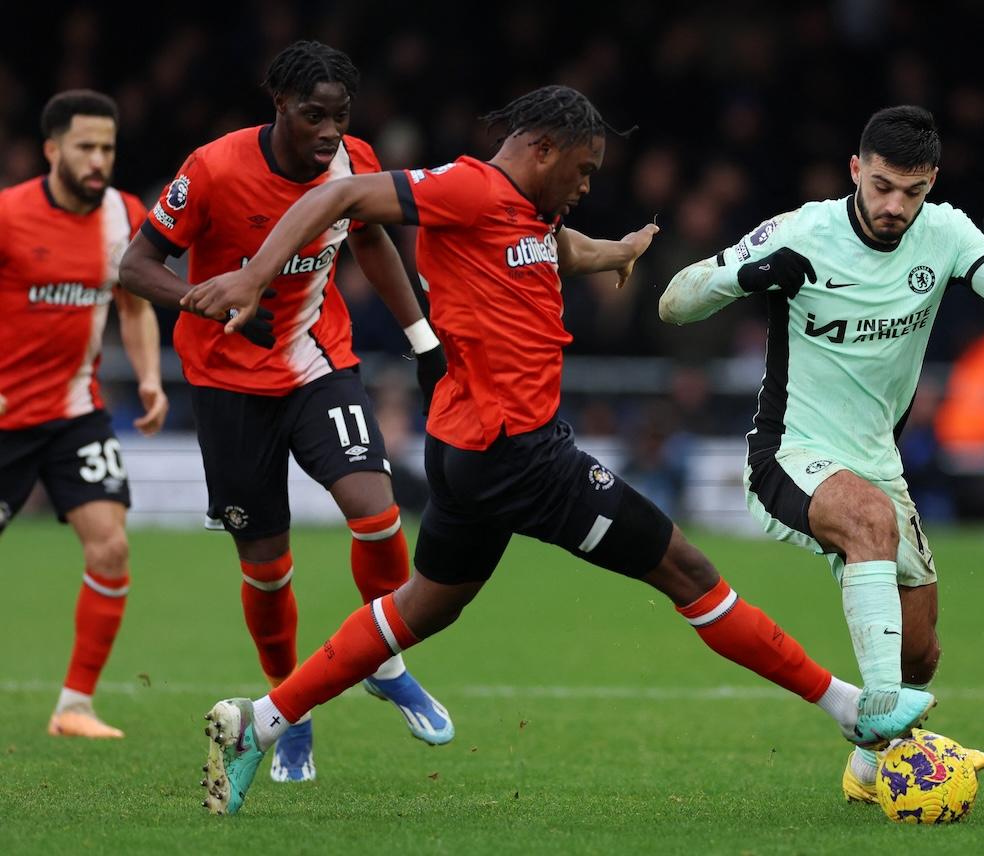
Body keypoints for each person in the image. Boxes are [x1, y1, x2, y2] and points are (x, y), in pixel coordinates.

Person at [181, 85, 935, 816]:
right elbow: (336, 197)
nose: (584, 185)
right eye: (582, 170)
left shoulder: (526, 213)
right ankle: (847, 708)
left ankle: (260, 722)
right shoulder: (467, 190)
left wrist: (615, 251)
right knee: (688, 570)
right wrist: (256, 272)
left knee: (418, 609)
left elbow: (554, 246)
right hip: (520, 456)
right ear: (541, 149)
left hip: (472, 449)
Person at [659, 105, 984, 805]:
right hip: (788, 450)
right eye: (881, 186)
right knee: (869, 521)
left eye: (911, 191)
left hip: (878, 460)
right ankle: (875, 714)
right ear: (856, 170)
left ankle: (870, 768)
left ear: (931, 182)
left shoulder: (946, 233)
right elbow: (673, 303)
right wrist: (740, 279)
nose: (894, 206)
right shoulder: (802, 231)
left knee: (921, 655)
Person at [118, 41, 452, 783]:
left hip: (318, 364)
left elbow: (371, 242)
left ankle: (382, 662)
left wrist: (422, 338)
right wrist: (209, 298)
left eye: (340, 116)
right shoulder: (212, 169)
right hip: (228, 387)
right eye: (313, 115)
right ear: (279, 107)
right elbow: (135, 266)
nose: (329, 131)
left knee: (378, 513)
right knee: (267, 571)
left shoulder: (353, 160)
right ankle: (290, 713)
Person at [0, 90, 169, 738]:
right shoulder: (10, 215)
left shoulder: (124, 215)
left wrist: (151, 378)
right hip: (6, 416)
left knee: (111, 547)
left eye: (108, 148)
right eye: (86, 148)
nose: (99, 160)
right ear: (51, 150)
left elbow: (132, 306)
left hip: (76, 414)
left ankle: (74, 705)